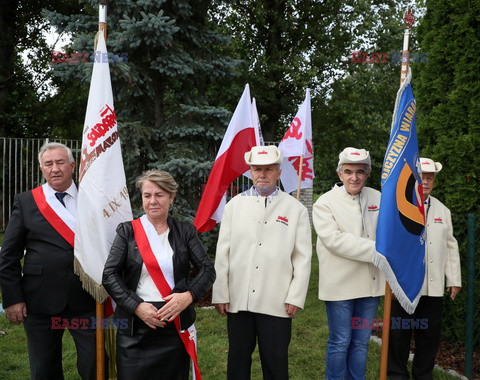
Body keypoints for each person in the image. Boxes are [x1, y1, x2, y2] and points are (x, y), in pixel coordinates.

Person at [102, 169, 215, 380]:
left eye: (159, 195)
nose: (153, 201)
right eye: (147, 195)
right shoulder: (128, 231)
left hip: (174, 325)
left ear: (171, 198)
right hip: (135, 327)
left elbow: (207, 269)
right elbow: (109, 274)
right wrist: (136, 306)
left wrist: (188, 296)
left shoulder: (185, 232)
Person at [212, 145, 312, 380]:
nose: (263, 174)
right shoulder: (234, 206)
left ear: (278, 172)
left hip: (276, 301)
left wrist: (295, 296)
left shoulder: (295, 209)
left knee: (276, 361)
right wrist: (221, 293)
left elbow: (303, 258)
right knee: (237, 360)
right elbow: (223, 253)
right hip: (239, 299)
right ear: (251, 172)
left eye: (269, 169)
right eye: (258, 169)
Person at [0, 142, 98, 379]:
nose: (55, 168)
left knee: (94, 364)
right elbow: (8, 256)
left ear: (72, 166)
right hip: (40, 301)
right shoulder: (26, 201)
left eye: (60, 162)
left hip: (85, 299)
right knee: (44, 370)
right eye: (48, 164)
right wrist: (12, 299)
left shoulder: (92, 198)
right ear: (42, 169)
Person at [312, 147, 385, 380]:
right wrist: (379, 250)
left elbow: (389, 232)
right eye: (348, 171)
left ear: (367, 173)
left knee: (361, 342)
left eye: (360, 172)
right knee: (341, 341)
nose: (354, 177)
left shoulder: (379, 198)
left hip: (371, 284)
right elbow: (335, 241)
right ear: (339, 174)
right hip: (340, 286)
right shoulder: (324, 203)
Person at [387, 157, 462, 380]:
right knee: (399, 334)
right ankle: (396, 375)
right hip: (405, 286)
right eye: (422, 177)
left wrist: (454, 279)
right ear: (414, 179)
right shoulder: (400, 207)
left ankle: (423, 375)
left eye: (430, 178)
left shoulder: (443, 210)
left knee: (428, 335)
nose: (426, 181)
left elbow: (450, 245)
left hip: (433, 287)